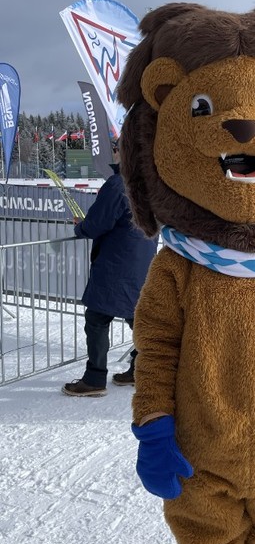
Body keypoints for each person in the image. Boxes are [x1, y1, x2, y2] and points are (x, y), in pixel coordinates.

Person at [62, 141, 158, 396]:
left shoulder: (118, 185)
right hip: (141, 260)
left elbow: (97, 224)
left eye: (116, 147)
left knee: (97, 318)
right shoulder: (149, 185)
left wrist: (81, 226)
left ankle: (94, 379)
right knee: (136, 318)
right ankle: (140, 370)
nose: (113, 151)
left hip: (118, 263)